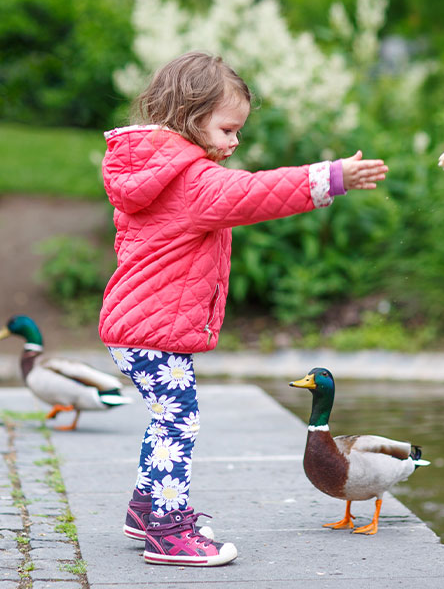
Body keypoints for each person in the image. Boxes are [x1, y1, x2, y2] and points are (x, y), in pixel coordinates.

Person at [99, 51, 387, 567]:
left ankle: (147, 509)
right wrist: (331, 177)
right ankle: (165, 532)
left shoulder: (150, 170)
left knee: (169, 418)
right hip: (152, 329)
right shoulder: (192, 181)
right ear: (191, 116)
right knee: (177, 423)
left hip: (135, 324)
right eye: (228, 129)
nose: (235, 142)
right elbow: (255, 193)